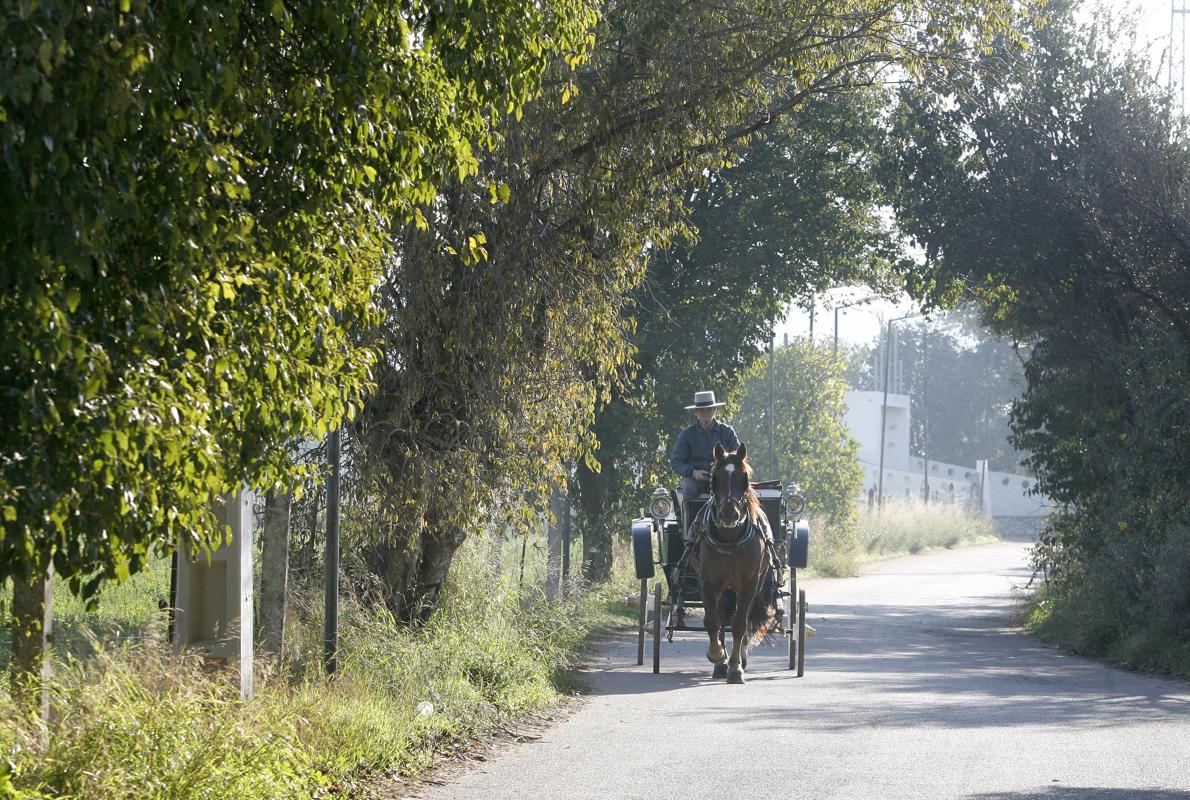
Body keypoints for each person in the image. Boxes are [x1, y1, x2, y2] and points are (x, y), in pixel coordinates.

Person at [671, 390, 740, 540]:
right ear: (696, 412)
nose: (706, 413)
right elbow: (676, 461)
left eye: (709, 409)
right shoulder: (687, 435)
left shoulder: (727, 432)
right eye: (702, 410)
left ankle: (740, 529)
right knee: (688, 489)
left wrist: (722, 468)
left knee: (740, 490)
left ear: (715, 410)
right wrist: (693, 472)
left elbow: (737, 457)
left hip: (721, 478)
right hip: (695, 479)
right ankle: (691, 535)